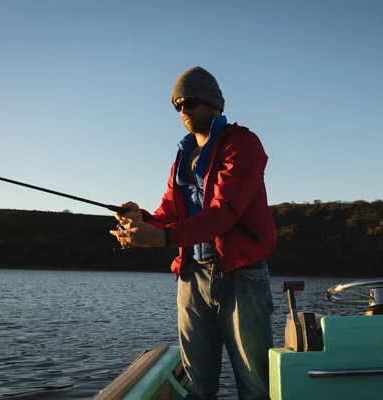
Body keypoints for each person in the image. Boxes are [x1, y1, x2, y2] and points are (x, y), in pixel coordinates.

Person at [110, 66, 277, 400]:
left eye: (192, 102)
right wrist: (140, 219)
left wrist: (163, 238)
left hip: (241, 276)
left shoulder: (243, 143)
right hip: (191, 278)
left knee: (255, 385)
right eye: (178, 105)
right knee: (197, 386)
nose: (184, 110)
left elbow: (224, 212)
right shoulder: (183, 156)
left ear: (215, 105)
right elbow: (169, 213)